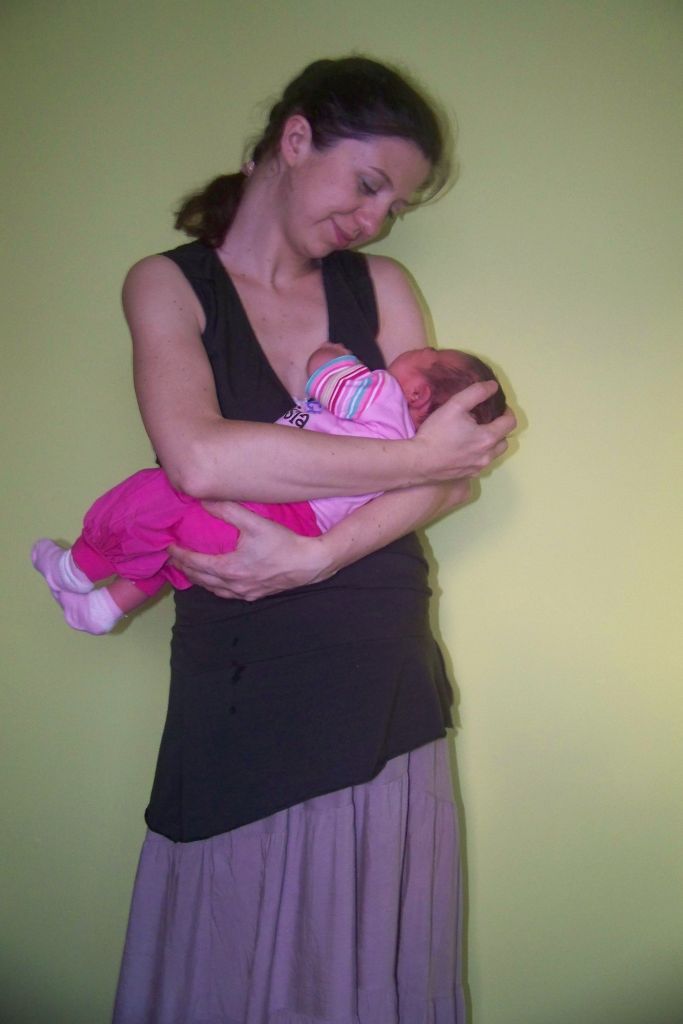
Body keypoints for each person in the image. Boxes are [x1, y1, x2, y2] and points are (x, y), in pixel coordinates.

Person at [96, 55, 515, 1023]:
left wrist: (317, 553)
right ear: (294, 139)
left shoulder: (382, 287)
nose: (374, 219)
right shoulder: (167, 285)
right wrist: (414, 458)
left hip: (380, 675)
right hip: (241, 675)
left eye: (394, 205)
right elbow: (198, 457)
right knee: (227, 966)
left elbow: (453, 474)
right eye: (367, 183)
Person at [31, 344, 506, 635]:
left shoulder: (382, 397)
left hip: (271, 502)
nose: (419, 347)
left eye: (429, 352)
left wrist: (330, 353)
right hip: (282, 536)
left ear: (418, 393)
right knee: (174, 541)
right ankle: (105, 607)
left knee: (157, 495)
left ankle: (76, 568)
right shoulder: (411, 461)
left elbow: (325, 373)